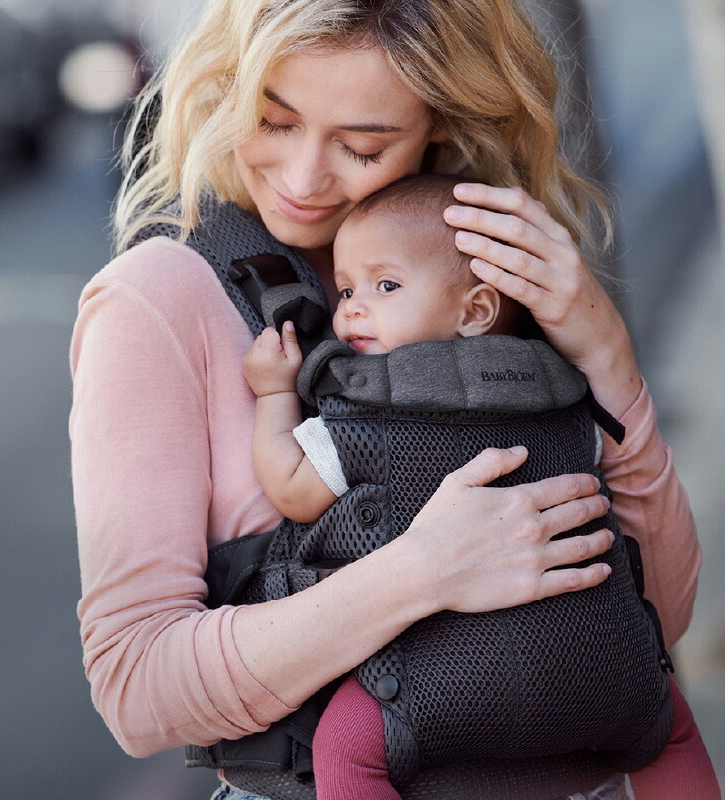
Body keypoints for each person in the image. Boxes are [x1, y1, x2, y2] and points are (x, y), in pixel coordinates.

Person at [68, 1, 712, 798]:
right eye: (273, 122)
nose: (305, 179)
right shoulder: (154, 301)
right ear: (226, 91)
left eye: (362, 146)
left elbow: (662, 615)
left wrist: (607, 356)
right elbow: (138, 690)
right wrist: (422, 573)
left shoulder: (483, 272)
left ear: (436, 128)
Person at [242, 172, 719, 800]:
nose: (353, 308)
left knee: (345, 750)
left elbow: (293, 488)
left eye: (385, 286)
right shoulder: (562, 383)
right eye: (348, 286)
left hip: (438, 678)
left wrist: (277, 393)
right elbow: (618, 477)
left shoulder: (368, 404)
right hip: (596, 655)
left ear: (477, 310)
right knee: (668, 731)